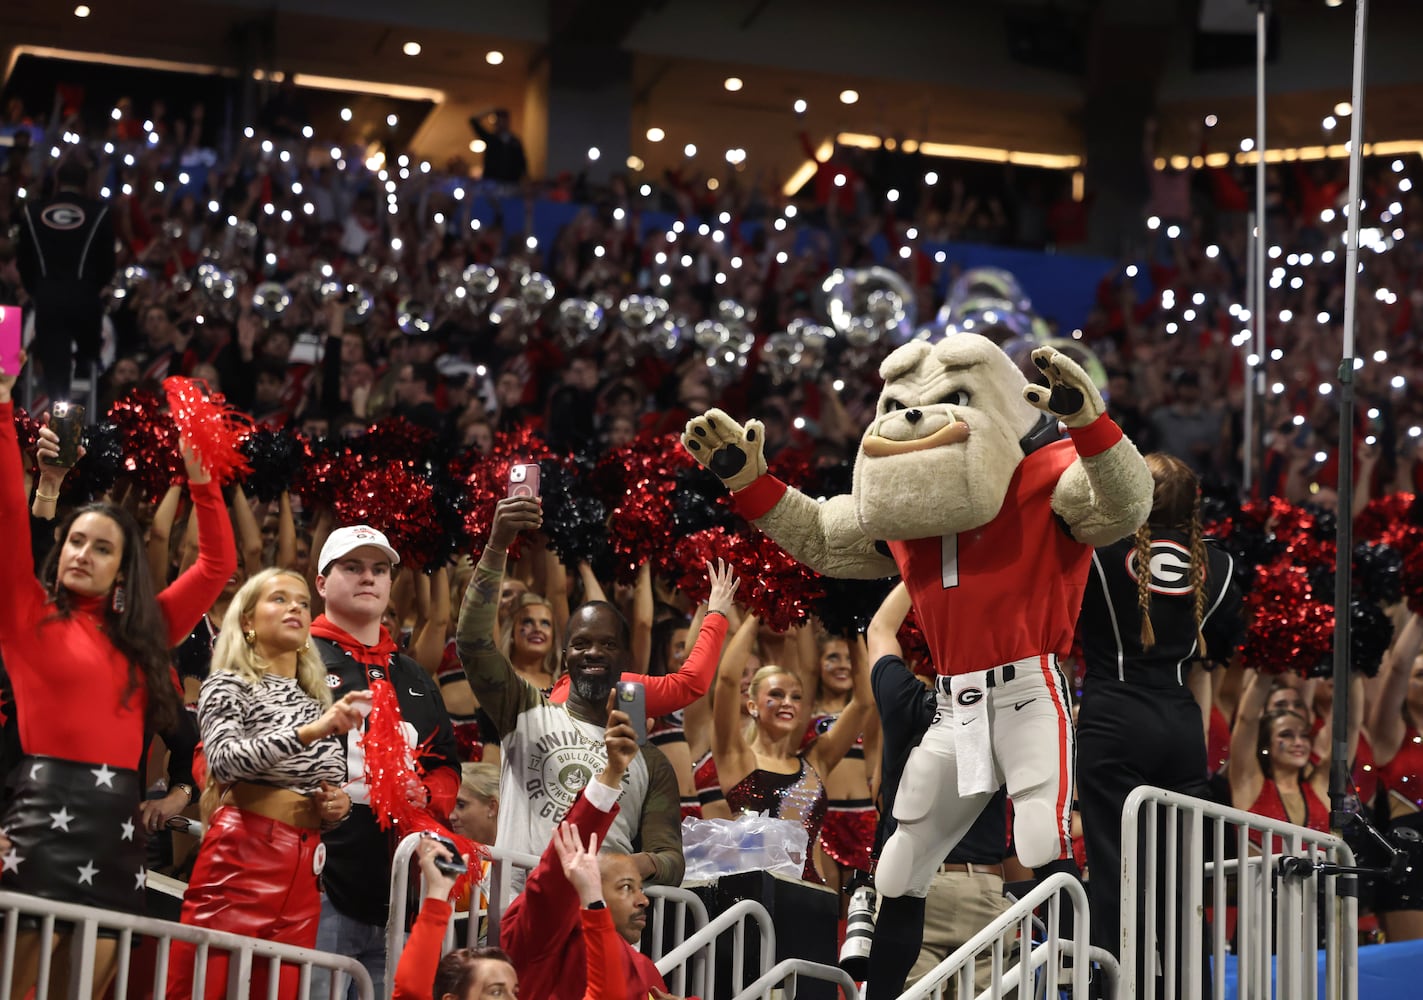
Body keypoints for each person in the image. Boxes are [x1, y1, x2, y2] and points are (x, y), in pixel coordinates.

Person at [0, 352, 235, 999]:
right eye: (76, 540)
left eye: (101, 547)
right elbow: (6, 517)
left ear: (122, 567)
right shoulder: (25, 614)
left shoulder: (145, 634)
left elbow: (217, 563)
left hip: (118, 837)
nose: (82, 552)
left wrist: (201, 478)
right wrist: (0, 401)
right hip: (41, 828)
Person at [1074, 452, 1243, 990]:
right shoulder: (1223, 566)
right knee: (1180, 886)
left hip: (1113, 719)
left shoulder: (1097, 552)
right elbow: (1214, 658)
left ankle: (1116, 990)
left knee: (1113, 876)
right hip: (1180, 726)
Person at [455, 497, 684, 888]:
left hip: (600, 922)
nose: (593, 652)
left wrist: (624, 866)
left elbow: (671, 859)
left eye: (608, 645)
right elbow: (473, 642)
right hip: (519, 915)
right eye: (581, 644)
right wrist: (497, 546)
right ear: (564, 658)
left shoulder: (649, 760)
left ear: (625, 657)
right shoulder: (524, 711)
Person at [168, 569, 370, 1000]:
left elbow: (329, 785)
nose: (295, 607)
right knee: (199, 987)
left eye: (301, 601)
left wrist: (337, 807)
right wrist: (310, 733)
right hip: (243, 856)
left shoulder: (316, 701)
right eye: (279, 599)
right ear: (247, 621)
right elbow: (223, 761)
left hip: (306, 870)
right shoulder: (228, 683)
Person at [309, 525, 463, 999]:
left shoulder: (413, 674)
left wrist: (429, 795)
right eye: (352, 567)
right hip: (316, 885)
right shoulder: (298, 657)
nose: (368, 578)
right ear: (321, 582)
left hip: (399, 892)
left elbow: (446, 765)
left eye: (379, 569)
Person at [861, 583, 1013, 1000]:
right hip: (983, 888)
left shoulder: (905, 700)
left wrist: (919, 572)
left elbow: (879, 630)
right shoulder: (1008, 711)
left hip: (915, 886)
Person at [498, 710, 669, 1000]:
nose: (643, 900)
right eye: (626, 887)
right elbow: (554, 878)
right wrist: (612, 773)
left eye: (639, 888)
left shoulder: (645, 970)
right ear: (582, 888)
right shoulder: (545, 936)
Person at [712, 595, 872, 883]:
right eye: (775, 695)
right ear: (752, 706)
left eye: (796, 697)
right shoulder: (736, 757)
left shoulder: (817, 760)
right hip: (754, 899)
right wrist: (760, 608)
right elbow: (726, 680)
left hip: (812, 895)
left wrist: (850, 624)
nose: (788, 702)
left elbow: (863, 701)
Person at [16, 159, 115, 405]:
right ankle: (83, 423)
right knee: (87, 361)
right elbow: (108, 264)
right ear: (86, 183)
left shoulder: (32, 211)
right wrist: (91, 288)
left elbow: (23, 261)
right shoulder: (99, 212)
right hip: (85, 302)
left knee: (56, 379)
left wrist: (37, 290)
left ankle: (58, 430)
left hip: (48, 301)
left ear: (58, 182)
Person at [802, 632, 882, 896]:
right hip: (822, 819)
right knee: (826, 902)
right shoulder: (804, 710)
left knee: (860, 904)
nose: (843, 665)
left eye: (849, 658)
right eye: (833, 657)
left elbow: (869, 690)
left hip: (862, 819)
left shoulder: (866, 711)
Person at [1368, 611, 1423, 941]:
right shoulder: (1391, 735)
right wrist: (1418, 611)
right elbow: (1398, 668)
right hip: (1412, 857)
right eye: (1420, 675)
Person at [469, 108, 527, 186]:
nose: (502, 124)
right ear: (495, 123)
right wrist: (488, 110)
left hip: (512, 182)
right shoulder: (490, 138)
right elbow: (473, 121)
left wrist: (524, 177)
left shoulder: (515, 141)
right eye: (499, 121)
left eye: (504, 121)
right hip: (491, 182)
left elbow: (522, 161)